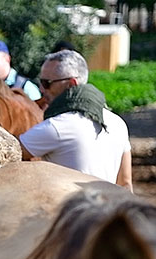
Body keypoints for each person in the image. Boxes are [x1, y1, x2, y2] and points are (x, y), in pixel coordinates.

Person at [19, 49, 133, 191]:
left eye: (46, 83)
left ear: (71, 84)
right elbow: (126, 184)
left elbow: (8, 151)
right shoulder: (117, 123)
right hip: (107, 210)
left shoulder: (57, 127)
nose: (41, 89)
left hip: (69, 210)